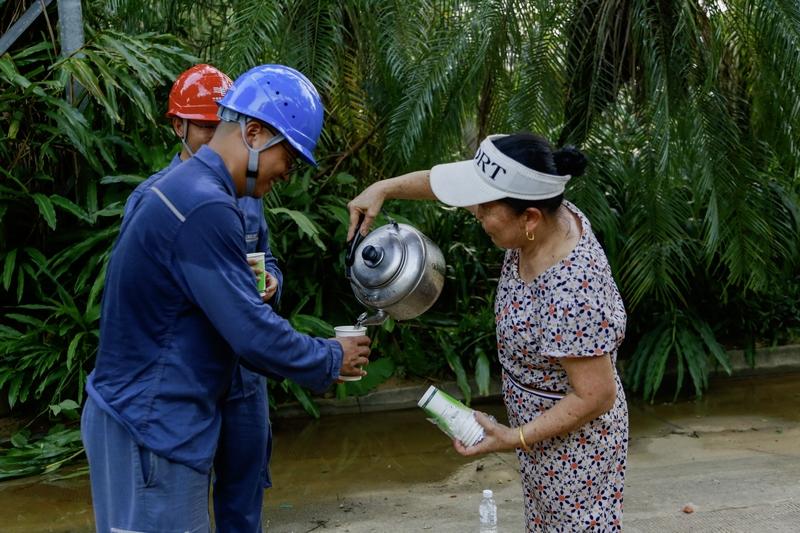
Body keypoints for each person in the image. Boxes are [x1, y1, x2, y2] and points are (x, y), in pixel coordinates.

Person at [82, 64, 371, 533]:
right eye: (290, 157)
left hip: (154, 420)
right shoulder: (205, 204)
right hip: (152, 428)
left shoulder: (189, 190)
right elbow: (251, 333)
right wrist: (329, 357)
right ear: (254, 133)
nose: (288, 173)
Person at [347, 133, 628, 531]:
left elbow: (596, 395)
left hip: (576, 451)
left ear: (529, 218)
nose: (474, 213)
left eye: (484, 207)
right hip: (538, 438)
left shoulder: (571, 287)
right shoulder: (532, 209)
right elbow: (450, 184)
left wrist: (513, 437)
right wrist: (384, 189)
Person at [122, 64, 283, 531]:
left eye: (223, 126)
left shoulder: (249, 193)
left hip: (244, 377)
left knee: (243, 493)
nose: (218, 137)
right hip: (186, 380)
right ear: (178, 126)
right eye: (207, 127)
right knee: (178, 500)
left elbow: (268, 259)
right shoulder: (152, 198)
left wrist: (271, 282)